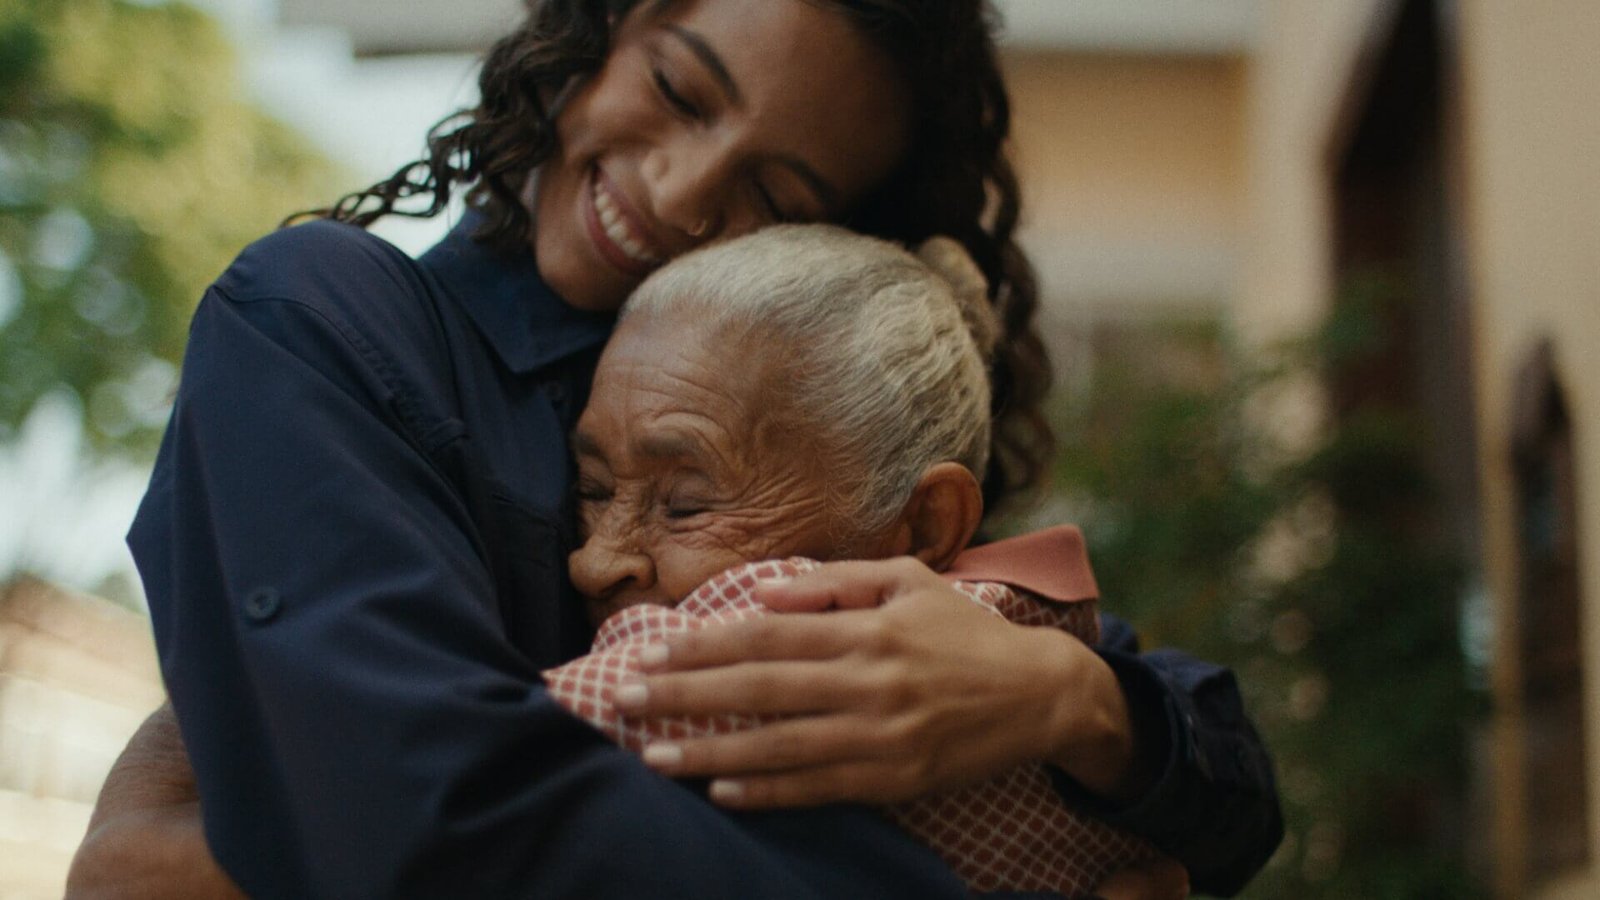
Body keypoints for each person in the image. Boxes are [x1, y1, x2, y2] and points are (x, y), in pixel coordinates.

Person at [69, 1, 1282, 897]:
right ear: (600, 26)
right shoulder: (326, 326)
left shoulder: (795, 412)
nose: (683, 191)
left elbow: (1219, 785)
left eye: (777, 192)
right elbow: (422, 814)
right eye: (682, 88)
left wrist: (1070, 701)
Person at [547, 224, 1163, 897]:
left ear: (926, 526)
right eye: (593, 490)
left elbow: (492, 754)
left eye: (687, 505)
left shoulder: (786, 621)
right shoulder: (1043, 638)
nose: (595, 560)